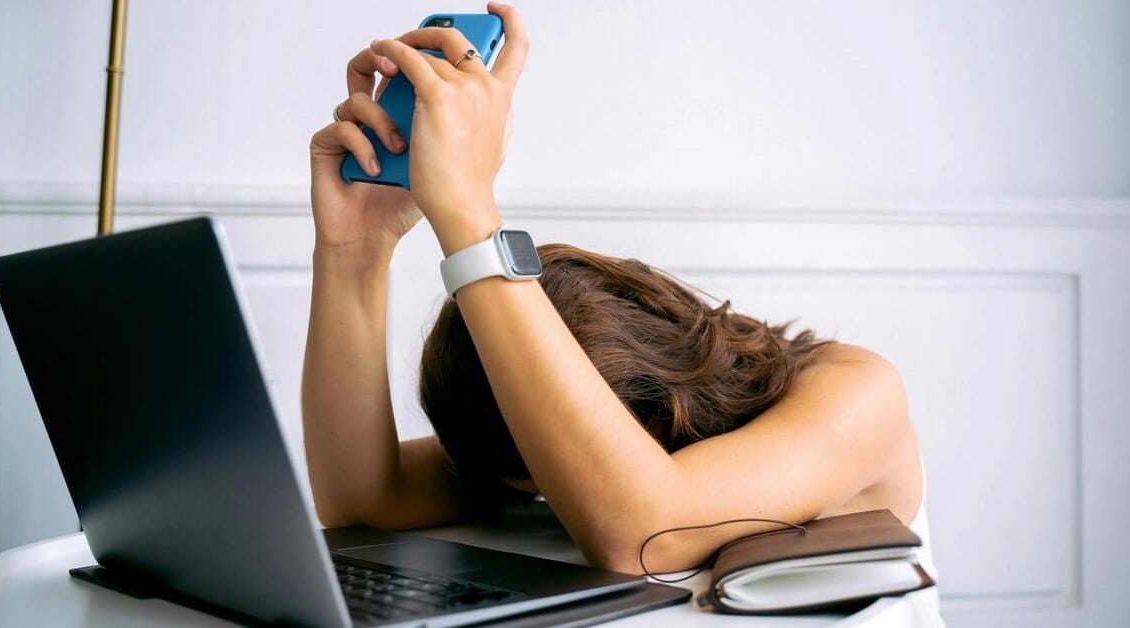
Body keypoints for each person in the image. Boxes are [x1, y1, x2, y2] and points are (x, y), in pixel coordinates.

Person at [302, 1, 927, 577]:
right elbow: (366, 500)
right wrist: (354, 252)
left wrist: (467, 210)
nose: (541, 482)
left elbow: (646, 535)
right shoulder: (523, 443)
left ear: (665, 396)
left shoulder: (857, 390)